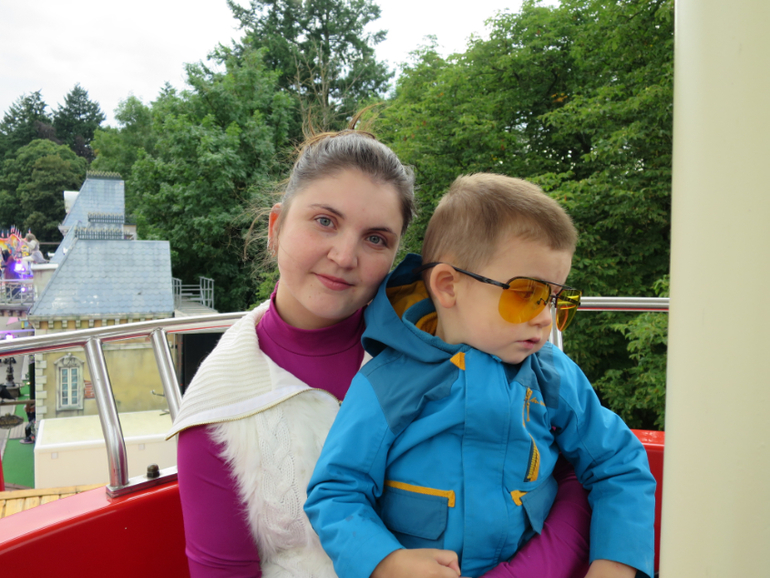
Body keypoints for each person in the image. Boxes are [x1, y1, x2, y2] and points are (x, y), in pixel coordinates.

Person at [167, 127, 591, 578]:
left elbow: (572, 471)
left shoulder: (462, 337)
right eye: (324, 221)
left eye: (376, 238)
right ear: (276, 228)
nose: (344, 256)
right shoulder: (217, 410)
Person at [305, 174, 656, 578]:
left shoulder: (553, 376)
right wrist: (386, 561)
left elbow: (619, 464)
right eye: (526, 294)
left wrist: (616, 561)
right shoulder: (386, 385)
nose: (545, 319)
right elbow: (336, 492)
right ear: (448, 286)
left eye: (555, 299)